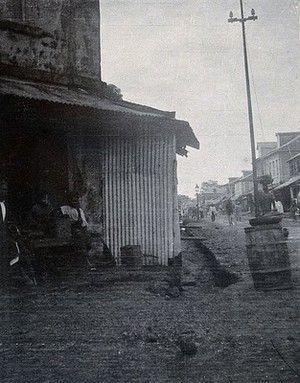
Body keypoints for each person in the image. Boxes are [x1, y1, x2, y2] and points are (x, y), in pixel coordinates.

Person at [0, 180, 36, 288]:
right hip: (2, 237)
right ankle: (19, 274)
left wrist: (15, 231)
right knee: (10, 246)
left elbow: (11, 222)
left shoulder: (6, 205)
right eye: (2, 189)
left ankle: (27, 274)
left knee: (23, 245)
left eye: (5, 189)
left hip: (7, 236)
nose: (4, 191)